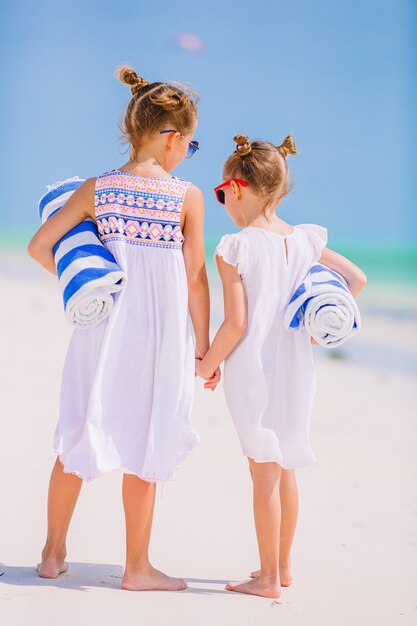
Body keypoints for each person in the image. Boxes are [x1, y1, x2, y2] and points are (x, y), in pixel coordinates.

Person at [28, 65, 219, 591]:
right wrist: (205, 347)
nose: (188, 154)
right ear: (174, 138)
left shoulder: (98, 188)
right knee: (146, 440)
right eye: (192, 144)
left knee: (78, 431)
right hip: (159, 336)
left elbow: (40, 247)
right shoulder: (187, 197)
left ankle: (51, 554)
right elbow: (196, 280)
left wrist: (89, 287)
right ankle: (137, 567)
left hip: (102, 330)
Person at [195, 133, 367, 598]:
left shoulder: (234, 247)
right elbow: (356, 278)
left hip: (253, 371)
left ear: (237, 187)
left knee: (263, 471)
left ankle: (268, 578)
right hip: (296, 370)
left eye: (220, 194)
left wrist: (206, 365)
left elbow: (234, 324)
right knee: (285, 466)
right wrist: (318, 324)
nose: (222, 203)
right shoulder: (305, 240)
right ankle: (282, 566)